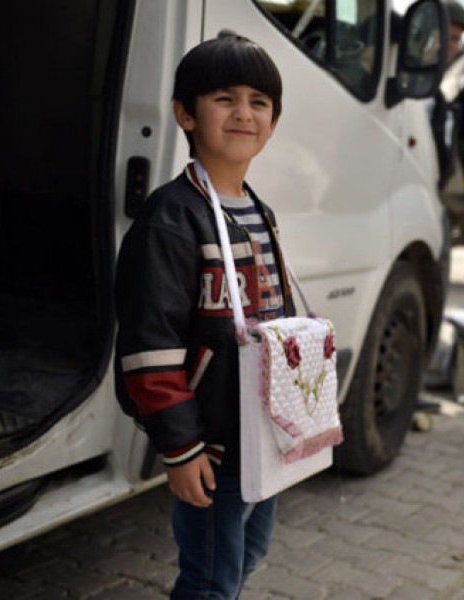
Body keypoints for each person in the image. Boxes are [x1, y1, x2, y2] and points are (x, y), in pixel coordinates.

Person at [114, 31, 295, 598]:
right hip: (213, 442)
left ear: (273, 122)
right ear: (184, 114)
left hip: (261, 435)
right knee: (210, 576)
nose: (244, 113)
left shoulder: (257, 210)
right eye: (224, 98)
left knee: (251, 552)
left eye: (259, 103)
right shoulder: (172, 218)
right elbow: (150, 345)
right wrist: (181, 447)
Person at [430, 0, 464, 190]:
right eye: (447, 36)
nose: (452, 46)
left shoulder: (436, 97)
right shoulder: (401, 81)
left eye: (456, 40)